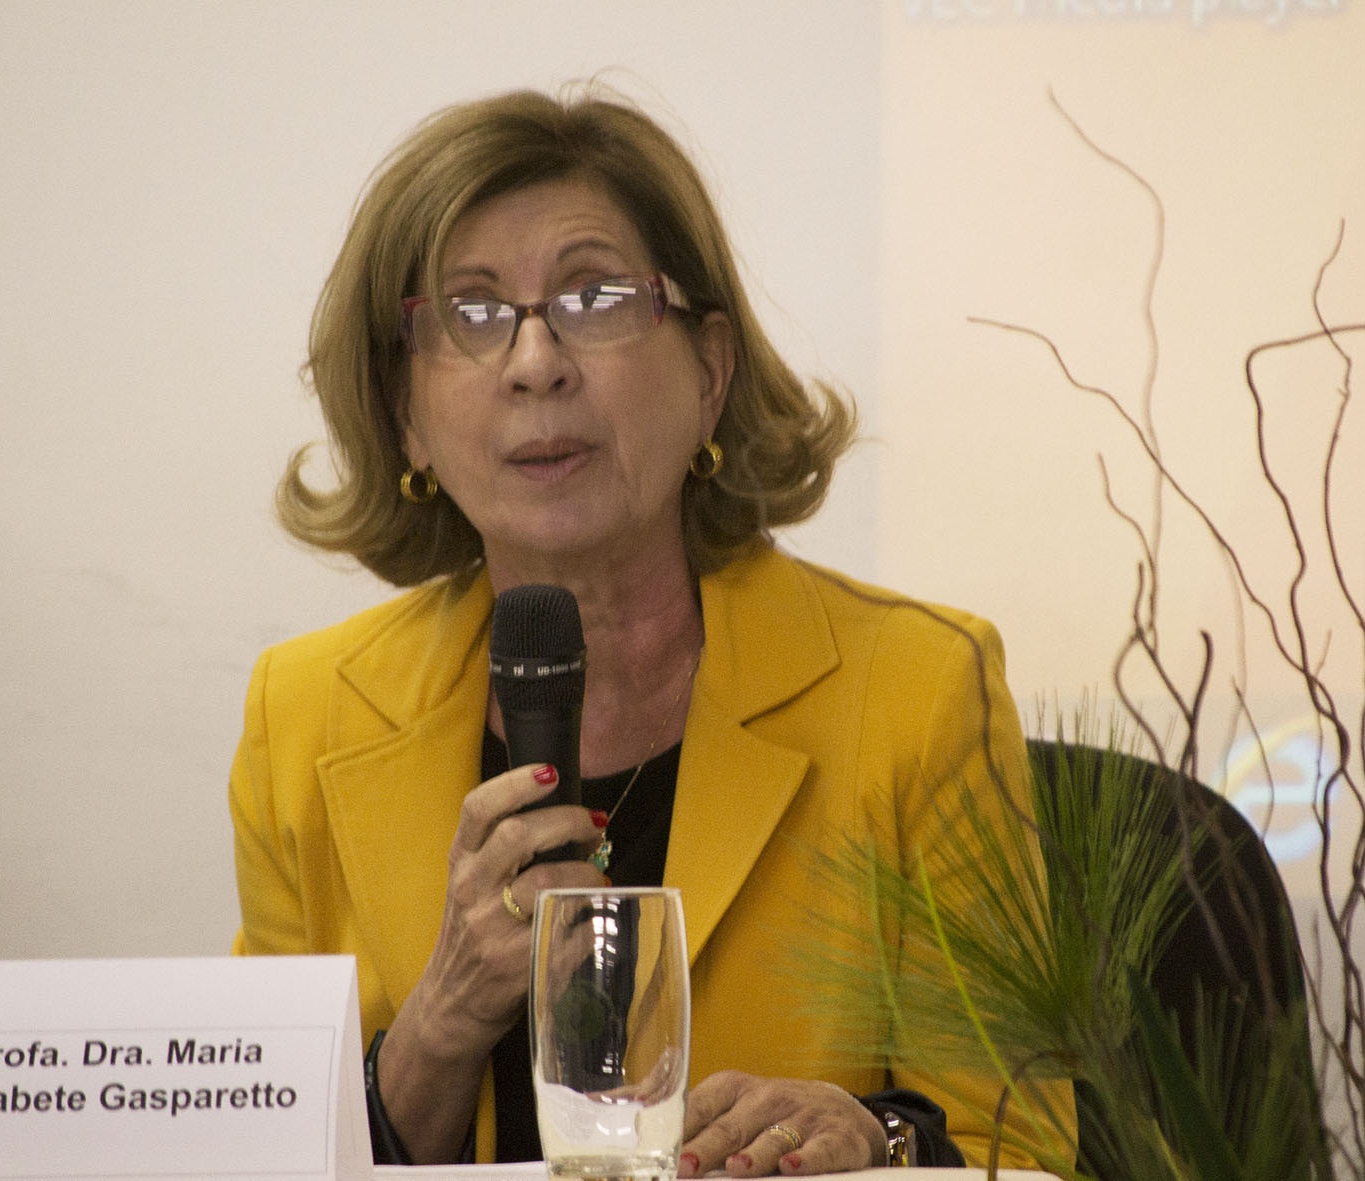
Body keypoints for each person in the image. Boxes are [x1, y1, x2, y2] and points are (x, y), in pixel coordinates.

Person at [229, 86, 1056, 1171]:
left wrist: (876, 1135)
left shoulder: (916, 689)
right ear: (404, 415)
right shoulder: (305, 716)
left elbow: (1020, 1142)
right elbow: (256, 1149)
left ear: (709, 372)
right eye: (472, 314)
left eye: (594, 295)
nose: (535, 362)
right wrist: (438, 1020)